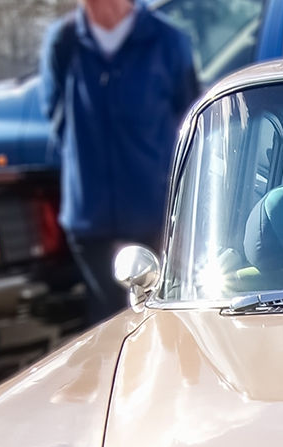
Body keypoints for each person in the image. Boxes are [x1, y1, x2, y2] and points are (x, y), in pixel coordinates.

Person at [40, 0, 200, 324]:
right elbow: (57, 117)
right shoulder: (63, 42)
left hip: (156, 220)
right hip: (91, 224)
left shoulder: (167, 41)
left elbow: (191, 122)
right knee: (108, 328)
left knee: (158, 325)